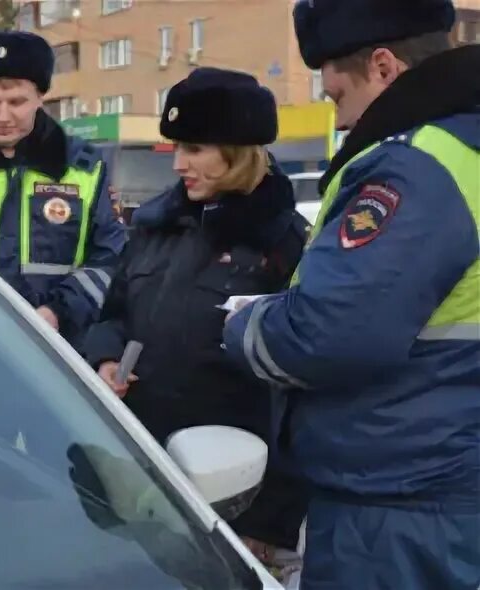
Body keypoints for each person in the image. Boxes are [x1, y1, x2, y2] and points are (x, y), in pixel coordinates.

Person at [222, 1, 480, 588]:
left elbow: (330, 333)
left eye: (337, 95)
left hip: (401, 499)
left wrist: (243, 324)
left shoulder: (417, 167)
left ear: (385, 68)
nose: (338, 120)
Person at [81, 68, 310, 572]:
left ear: (240, 149)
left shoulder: (286, 245)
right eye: (177, 147)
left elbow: (302, 403)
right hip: (144, 486)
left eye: (195, 149)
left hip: (236, 505)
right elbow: (114, 315)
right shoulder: (156, 227)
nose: (179, 163)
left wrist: (267, 525)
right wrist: (104, 358)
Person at [0, 30, 126, 346]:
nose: (2, 116)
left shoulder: (84, 170)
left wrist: (56, 312)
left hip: (62, 356)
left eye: (16, 102)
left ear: (40, 97)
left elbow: (110, 260)